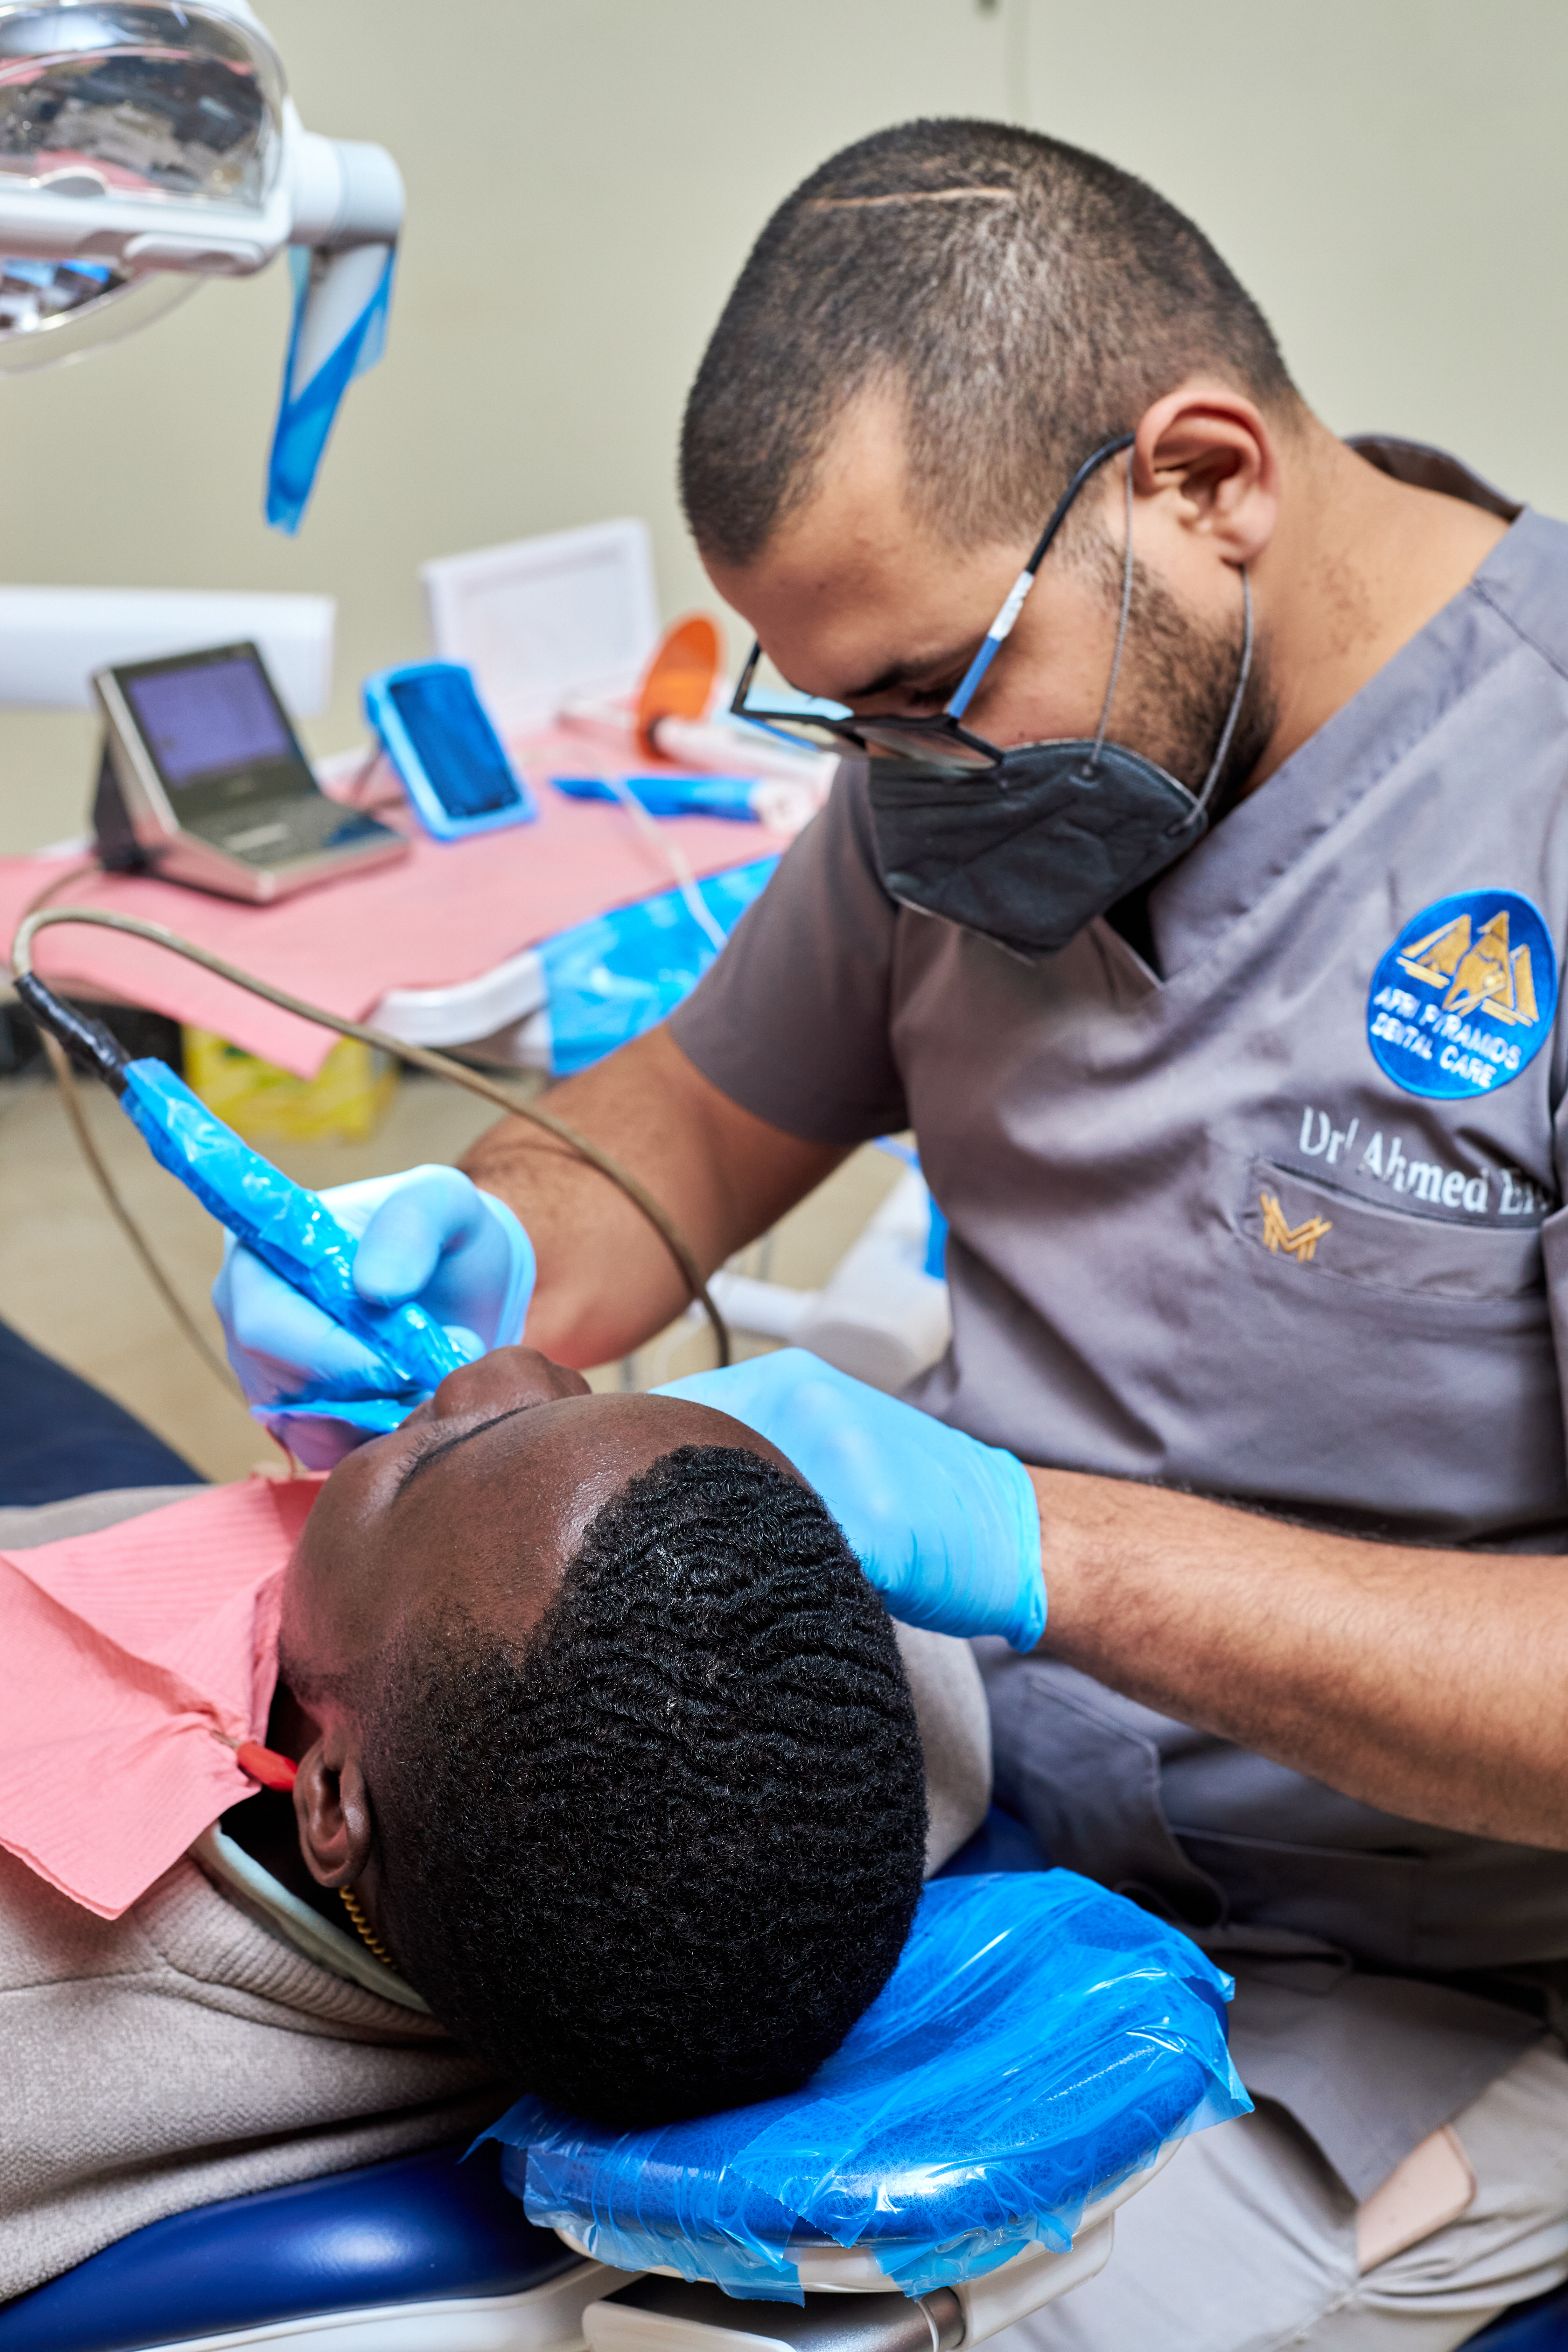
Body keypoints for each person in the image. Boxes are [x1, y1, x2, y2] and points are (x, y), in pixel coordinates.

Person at [216, 118, 1568, 2346]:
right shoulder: (964, 771)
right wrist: (463, 1240)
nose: (889, 774)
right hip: (947, 1817)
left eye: (929, 693)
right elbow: (666, 1127)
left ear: (1206, 479)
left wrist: (1042, 1545)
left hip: (1423, 1975)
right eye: (838, 717)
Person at [1, 1336, 983, 2302]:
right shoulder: (894, 1730)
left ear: (333, 1802)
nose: (501, 1366)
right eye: (579, 1402)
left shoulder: (38, 2016)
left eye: (434, 1464)